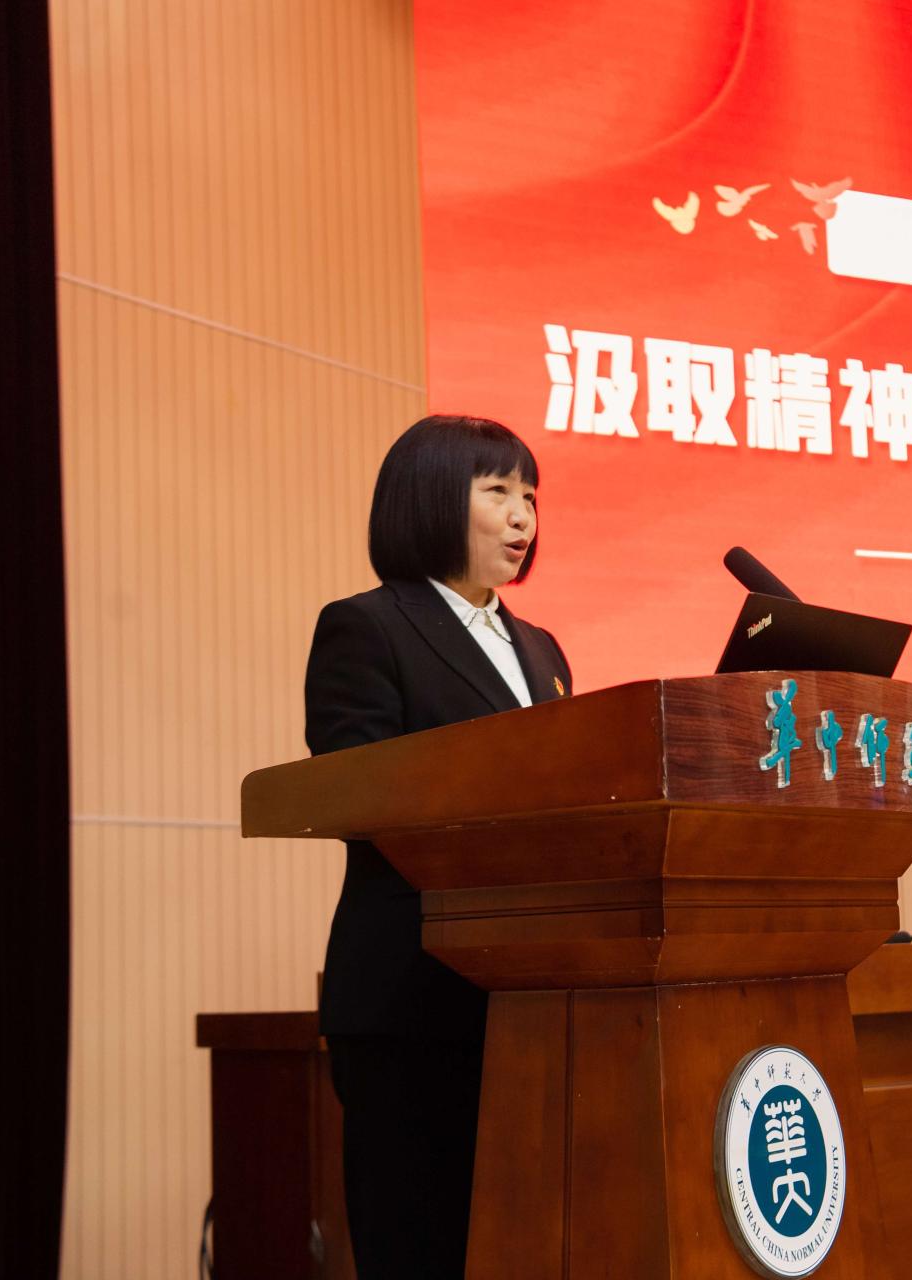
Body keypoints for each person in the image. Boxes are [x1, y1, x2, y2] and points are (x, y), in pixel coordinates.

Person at [303, 414, 571, 1277]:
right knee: (419, 1246)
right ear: (428, 500)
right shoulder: (367, 627)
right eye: (497, 492)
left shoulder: (543, 650)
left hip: (528, 992)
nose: (523, 515)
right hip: (411, 995)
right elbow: (360, 788)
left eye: (530, 495)